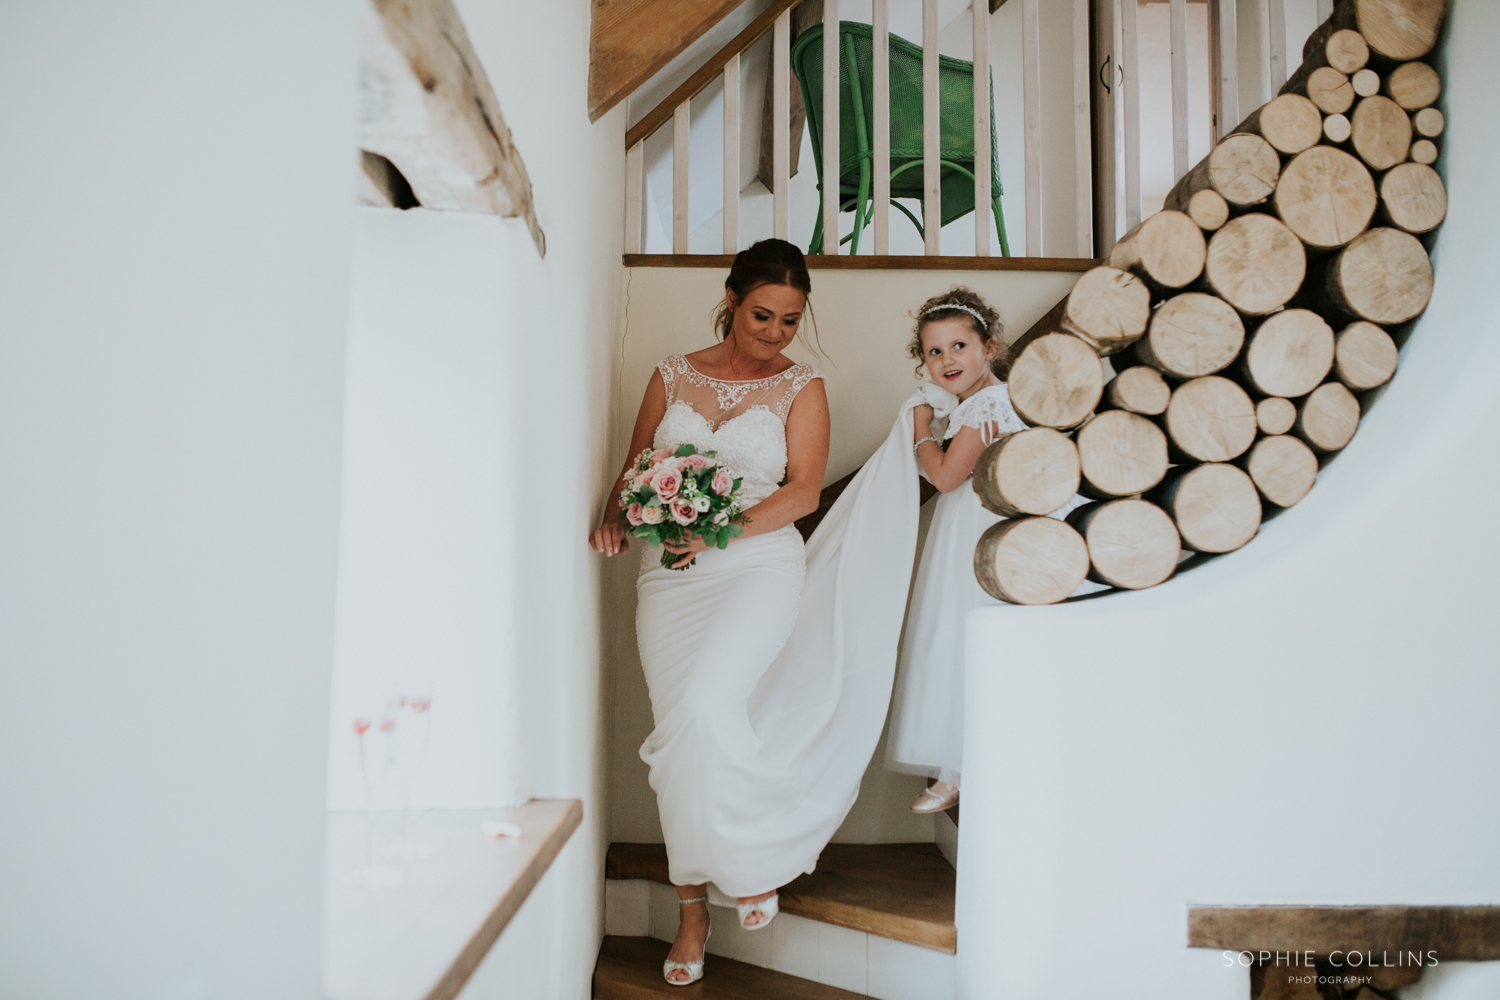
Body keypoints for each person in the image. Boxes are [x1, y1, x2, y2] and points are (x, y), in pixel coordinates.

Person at [590, 240, 832, 986]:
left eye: (791, 320)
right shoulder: (672, 374)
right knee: (679, 731)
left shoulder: (804, 386)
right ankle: (692, 906)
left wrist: (720, 528)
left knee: (706, 704)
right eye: (763, 314)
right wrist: (616, 518)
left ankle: (752, 859)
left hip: (758, 566)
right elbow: (637, 465)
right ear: (730, 299)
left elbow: (803, 492)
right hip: (671, 575)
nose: (776, 333)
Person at [884, 287, 1100, 815]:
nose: (947, 360)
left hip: (986, 529)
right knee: (970, 639)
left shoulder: (986, 404)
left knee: (967, 636)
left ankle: (963, 767)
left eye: (959, 346)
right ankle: (972, 762)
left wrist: (919, 432)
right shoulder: (993, 400)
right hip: (987, 524)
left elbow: (947, 475)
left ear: (990, 347)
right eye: (934, 352)